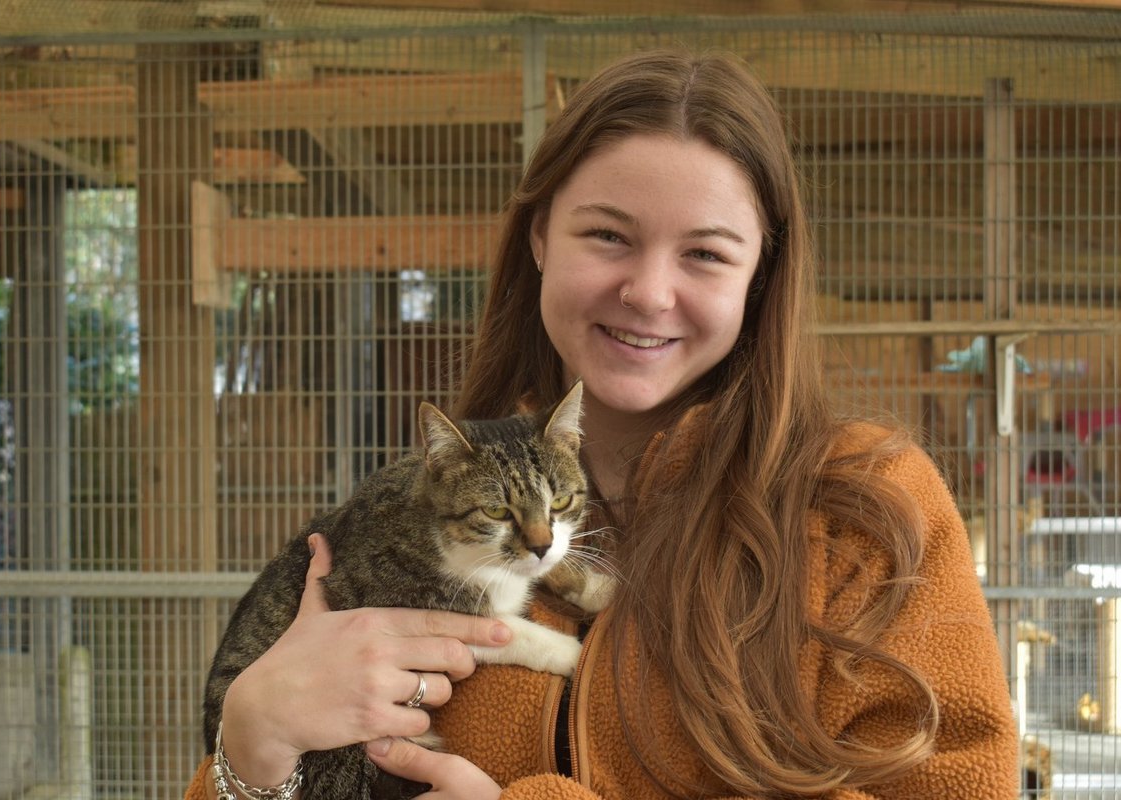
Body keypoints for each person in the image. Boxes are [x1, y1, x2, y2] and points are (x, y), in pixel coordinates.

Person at [186, 50, 1018, 799]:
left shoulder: (865, 502)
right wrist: (250, 747)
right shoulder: (420, 510)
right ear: (541, 235)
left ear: (760, 276)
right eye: (609, 235)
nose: (650, 293)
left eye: (706, 253)